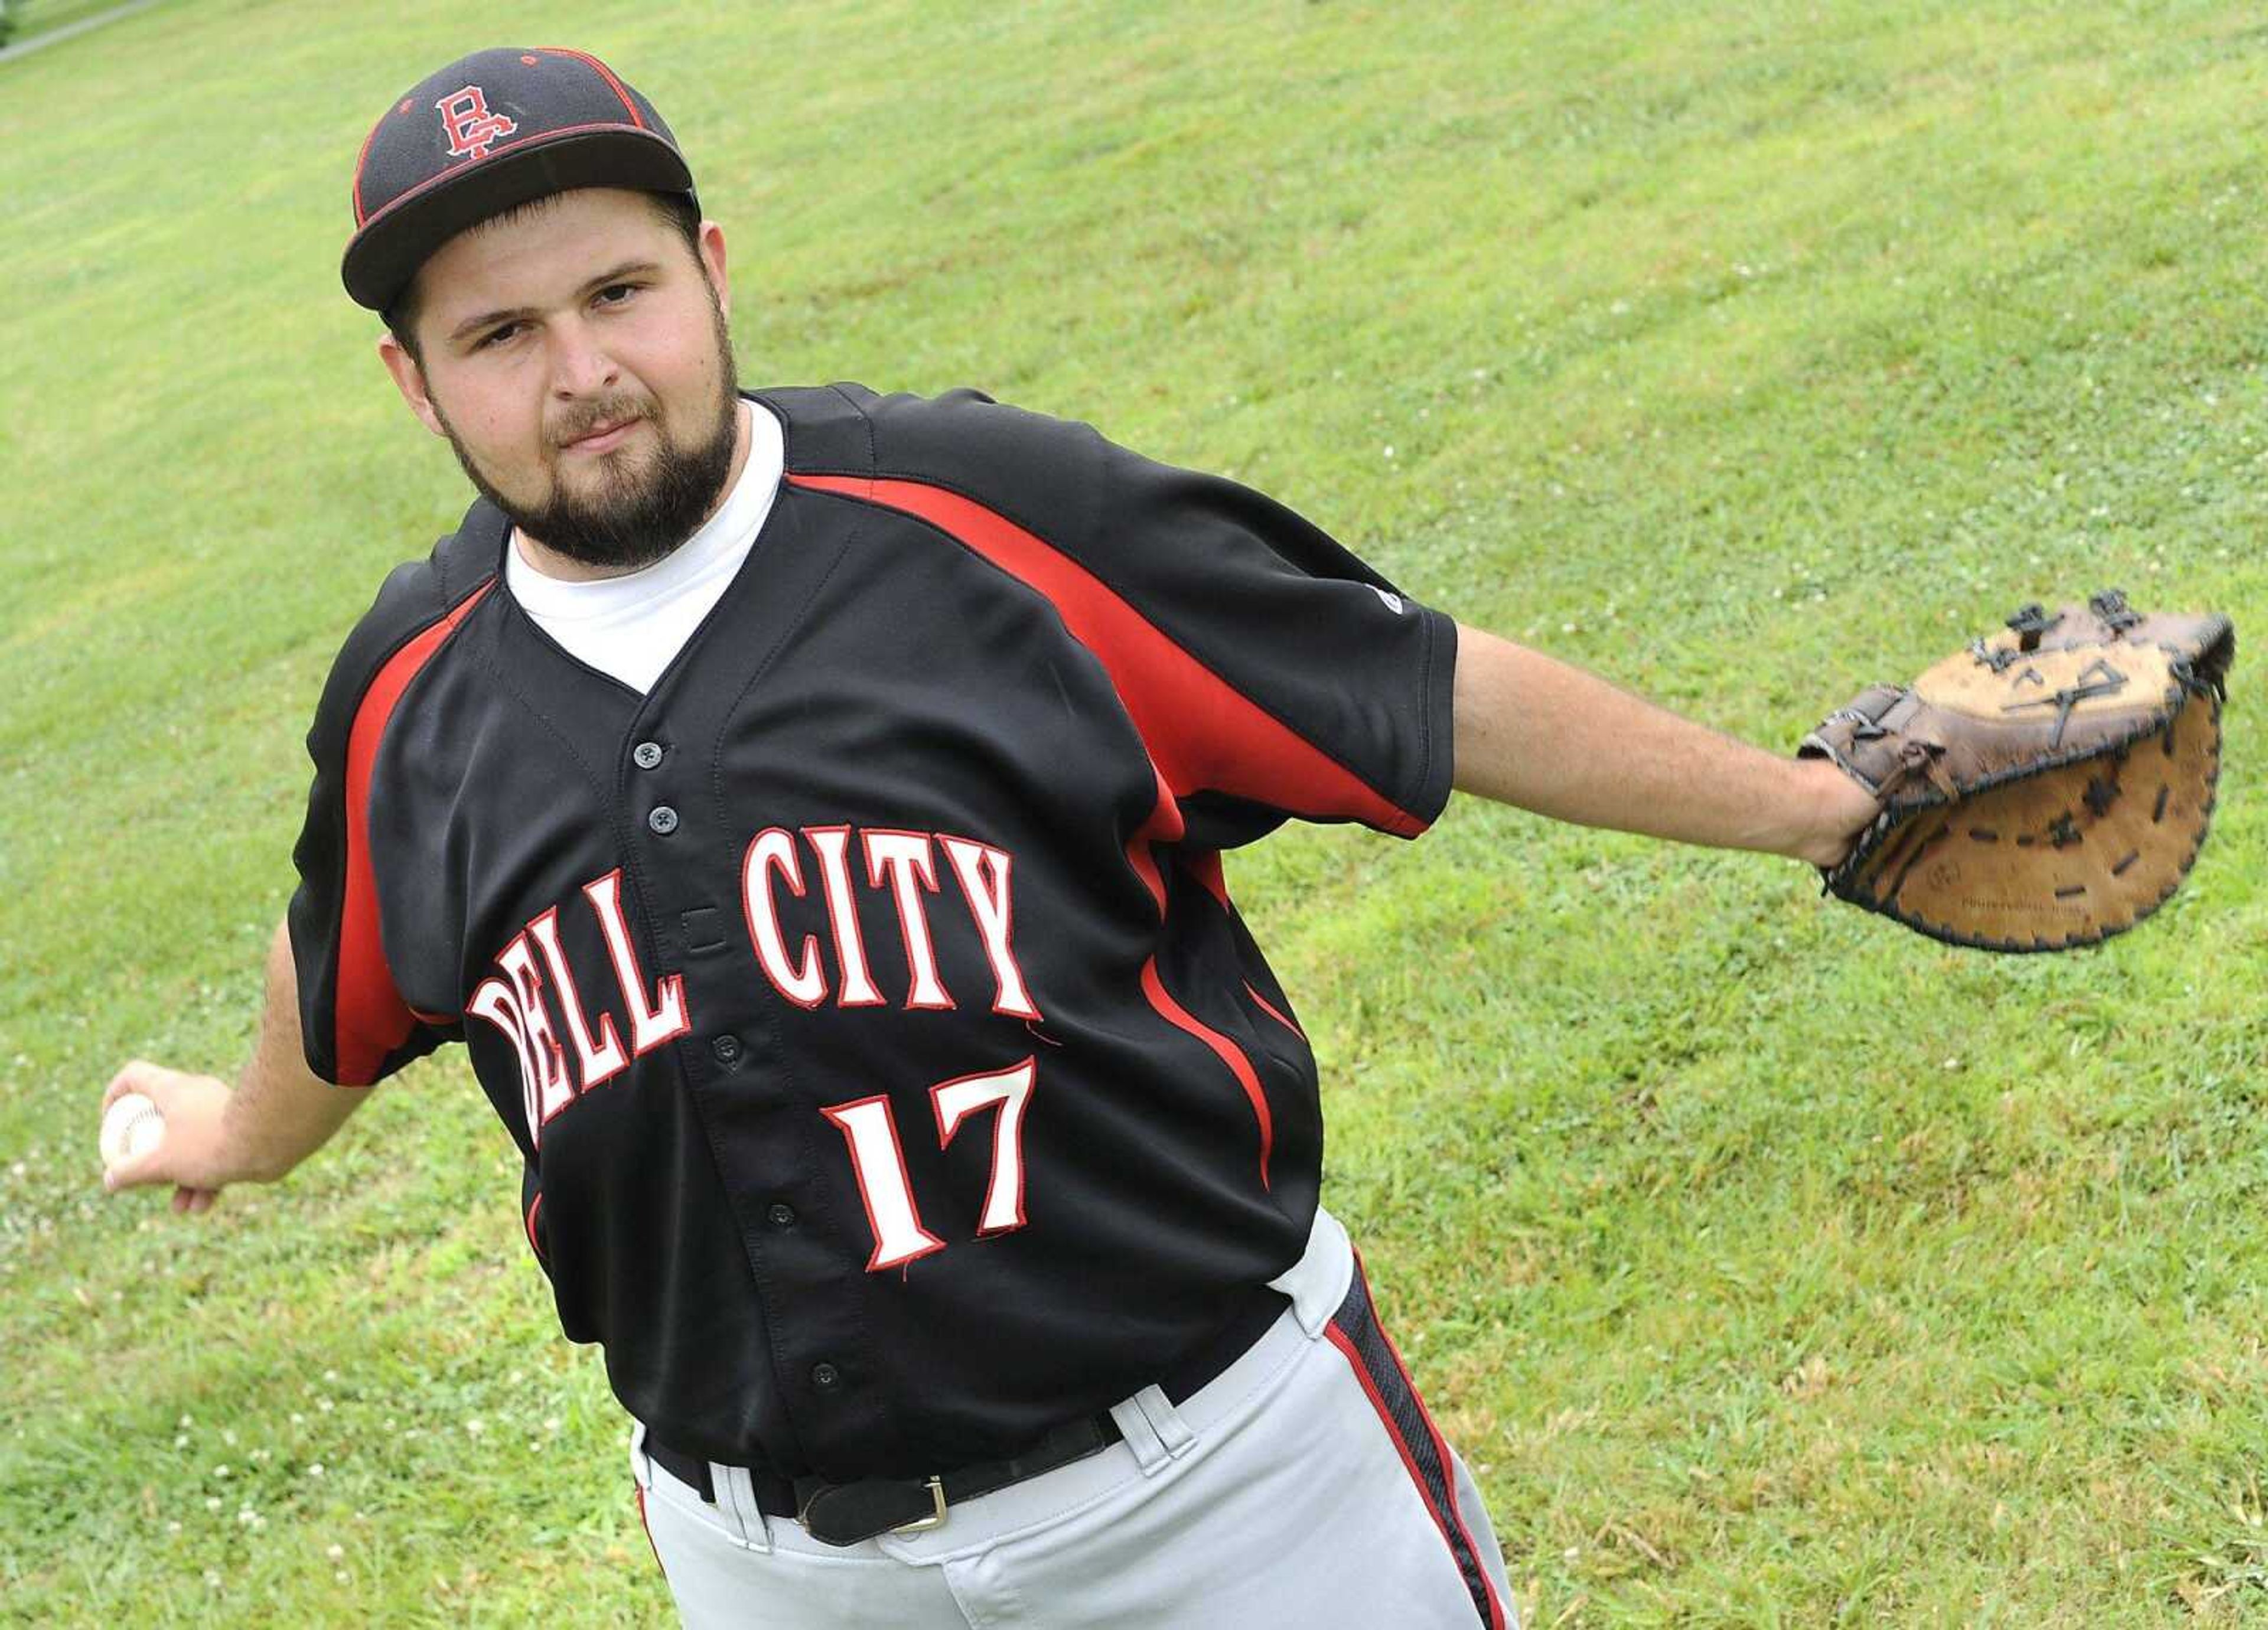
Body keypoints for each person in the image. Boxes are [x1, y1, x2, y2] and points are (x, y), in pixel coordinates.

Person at [100, 46, 1879, 1630]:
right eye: (499, 334)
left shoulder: (985, 518)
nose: (585, 372)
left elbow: (1411, 689)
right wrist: (236, 1132)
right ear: (414, 381)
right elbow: (346, 955)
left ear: (712, 274)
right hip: (768, 1563)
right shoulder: (410, 693)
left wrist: (1823, 813)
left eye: (620, 290)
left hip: (1219, 1498)